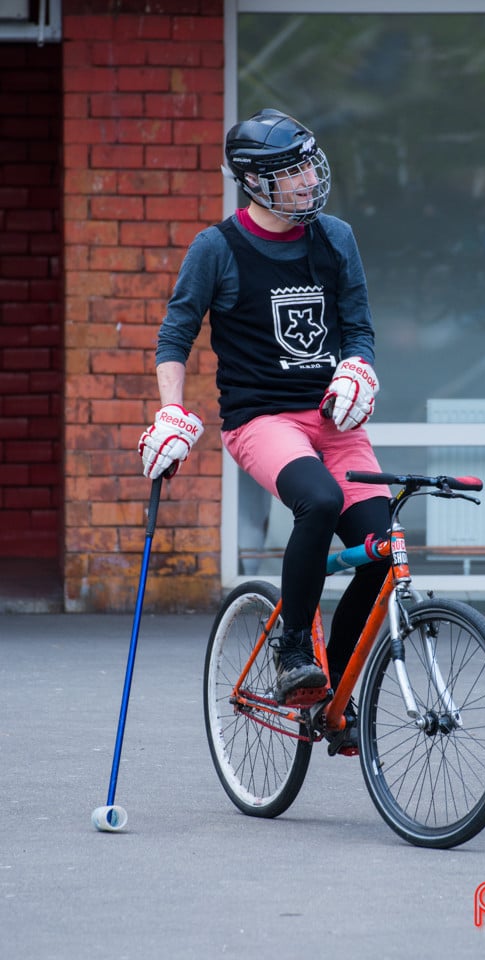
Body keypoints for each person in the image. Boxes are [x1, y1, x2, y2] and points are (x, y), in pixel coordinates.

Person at [138, 108, 391, 751]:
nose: (309, 180)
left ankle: (329, 695)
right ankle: (289, 650)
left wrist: (358, 365)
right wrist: (170, 410)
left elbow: (358, 325)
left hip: (332, 419)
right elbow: (176, 336)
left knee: (383, 551)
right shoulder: (217, 248)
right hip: (262, 419)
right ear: (256, 183)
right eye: (292, 172)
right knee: (321, 500)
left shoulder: (335, 238)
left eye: (310, 165)